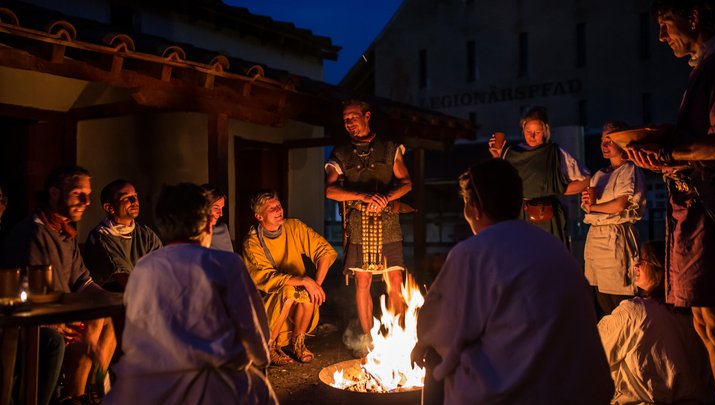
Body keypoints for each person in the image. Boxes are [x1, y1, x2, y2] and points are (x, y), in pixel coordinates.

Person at [411, 159, 613, 404]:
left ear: (474, 208)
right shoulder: (554, 247)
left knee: (432, 355)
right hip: (583, 392)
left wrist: (425, 344)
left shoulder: (473, 253)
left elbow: (436, 329)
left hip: (517, 396)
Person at [105, 183, 277, 404]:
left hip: (146, 386)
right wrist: (260, 359)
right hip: (217, 385)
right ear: (207, 224)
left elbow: (132, 335)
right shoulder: (226, 264)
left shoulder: (144, 268)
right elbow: (253, 327)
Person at [626, 0, 715, 393]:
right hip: (694, 216)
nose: (661, 36)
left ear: (694, 17)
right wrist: (665, 146)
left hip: (710, 215)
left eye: (666, 24)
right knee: (703, 323)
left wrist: (670, 152)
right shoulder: (704, 67)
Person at [0, 166, 116, 404]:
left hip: (62, 316)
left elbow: (85, 283)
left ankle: (88, 394)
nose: (86, 201)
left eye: (88, 194)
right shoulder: (32, 233)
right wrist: (64, 318)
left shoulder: (66, 233)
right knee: (83, 331)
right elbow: (35, 294)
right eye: (77, 194)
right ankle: (75, 396)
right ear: (54, 193)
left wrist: (119, 301)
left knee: (108, 318)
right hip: (36, 323)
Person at [325, 99, 412, 353]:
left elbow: (407, 183)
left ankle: (399, 335)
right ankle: (366, 340)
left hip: (387, 220)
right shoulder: (340, 153)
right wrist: (363, 197)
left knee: (395, 279)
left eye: (353, 117)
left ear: (367, 116)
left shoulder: (389, 147)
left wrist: (387, 197)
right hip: (357, 221)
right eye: (345, 119)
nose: (349, 123)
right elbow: (330, 190)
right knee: (362, 281)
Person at [598, 241, 715, 404]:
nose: (636, 266)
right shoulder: (695, 314)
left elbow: (593, 354)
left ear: (659, 269)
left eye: (642, 261)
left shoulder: (633, 312)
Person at [242, 190, 336, 365]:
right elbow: (266, 277)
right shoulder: (252, 243)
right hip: (267, 304)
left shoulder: (293, 227)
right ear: (259, 216)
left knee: (306, 294)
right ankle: (269, 345)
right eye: (272, 209)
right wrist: (304, 281)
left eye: (279, 206)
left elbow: (324, 251)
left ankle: (297, 342)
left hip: (294, 305)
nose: (279, 211)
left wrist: (315, 285)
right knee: (288, 290)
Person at [489, 106, 590, 246]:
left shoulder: (555, 153)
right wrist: (498, 157)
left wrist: (556, 188)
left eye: (537, 132)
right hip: (518, 216)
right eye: (528, 131)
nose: (532, 136)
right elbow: (501, 183)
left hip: (546, 217)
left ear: (546, 131)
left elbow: (586, 180)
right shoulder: (512, 153)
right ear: (523, 130)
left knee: (547, 257)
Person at [582, 122, 646, 316]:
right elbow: (590, 209)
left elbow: (619, 205)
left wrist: (593, 207)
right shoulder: (599, 175)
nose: (604, 145)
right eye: (602, 140)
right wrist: (587, 204)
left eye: (609, 140)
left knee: (619, 300)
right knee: (598, 296)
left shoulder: (628, 170)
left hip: (615, 239)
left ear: (622, 142)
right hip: (595, 238)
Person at [83, 179, 162, 291]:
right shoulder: (101, 237)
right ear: (109, 208)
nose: (135, 201)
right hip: (113, 302)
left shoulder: (146, 234)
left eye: (135, 196)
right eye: (126, 198)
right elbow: (126, 281)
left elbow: (164, 269)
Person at [201, 183, 234, 252]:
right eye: (216, 208)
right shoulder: (187, 235)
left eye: (222, 208)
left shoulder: (222, 230)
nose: (221, 214)